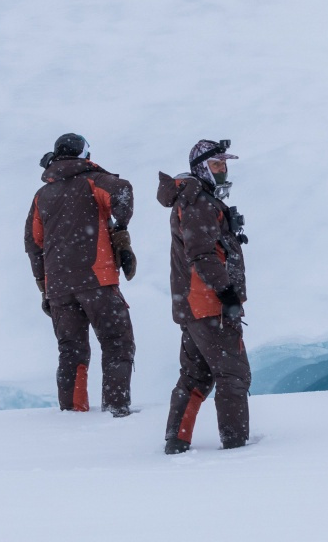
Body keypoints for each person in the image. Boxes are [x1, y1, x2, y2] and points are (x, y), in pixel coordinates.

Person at [24, 133, 137, 417]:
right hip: (96, 280)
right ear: (84, 154)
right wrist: (121, 229)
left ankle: (73, 413)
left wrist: (43, 285)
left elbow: (33, 243)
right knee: (117, 342)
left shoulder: (42, 195)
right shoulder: (92, 180)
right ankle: (115, 409)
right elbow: (121, 190)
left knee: (71, 350)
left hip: (59, 288)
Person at [157, 139, 251, 454]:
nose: (223, 170)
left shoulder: (195, 199)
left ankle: (177, 441)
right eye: (216, 165)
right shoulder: (197, 202)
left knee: (195, 376)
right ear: (202, 168)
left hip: (193, 304)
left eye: (224, 165)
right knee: (233, 374)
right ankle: (236, 445)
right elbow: (202, 253)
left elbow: (205, 249)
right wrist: (226, 293)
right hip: (209, 305)